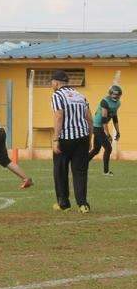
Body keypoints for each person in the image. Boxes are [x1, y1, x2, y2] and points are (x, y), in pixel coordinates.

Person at [51, 70, 93, 213]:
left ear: (56, 82)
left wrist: (56, 139)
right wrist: (90, 139)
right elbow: (89, 118)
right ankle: (83, 204)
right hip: (82, 137)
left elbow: (59, 116)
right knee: (80, 171)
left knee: (60, 170)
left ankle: (63, 203)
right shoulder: (80, 95)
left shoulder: (57, 95)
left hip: (65, 139)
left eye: (52, 82)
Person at [88, 85, 122, 176]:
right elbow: (104, 119)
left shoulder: (118, 103)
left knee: (96, 149)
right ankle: (106, 171)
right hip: (98, 126)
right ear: (110, 94)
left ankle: (82, 164)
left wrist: (118, 131)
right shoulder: (105, 101)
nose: (116, 97)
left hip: (102, 126)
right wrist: (108, 134)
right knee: (108, 148)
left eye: (118, 95)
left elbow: (115, 118)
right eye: (114, 95)